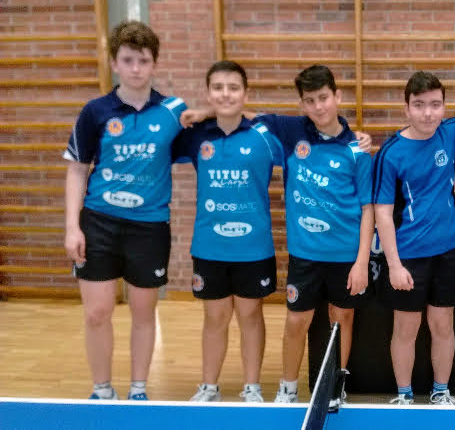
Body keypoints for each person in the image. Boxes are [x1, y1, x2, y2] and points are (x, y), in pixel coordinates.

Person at [181, 65, 373, 404]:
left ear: (338, 96)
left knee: (342, 318)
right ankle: (287, 387)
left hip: (345, 254)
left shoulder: (357, 149)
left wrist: (361, 261)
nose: (318, 106)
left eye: (324, 98)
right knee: (295, 322)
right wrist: (204, 113)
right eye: (310, 100)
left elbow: (368, 208)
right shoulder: (291, 131)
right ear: (301, 104)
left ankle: (335, 387)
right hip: (304, 254)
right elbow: (241, 113)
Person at [63, 20, 187, 401]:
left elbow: (214, 128)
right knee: (97, 312)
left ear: (154, 64)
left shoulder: (173, 111)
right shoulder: (95, 111)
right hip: (98, 222)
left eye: (144, 61)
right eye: (128, 60)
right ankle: (102, 390)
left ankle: (138, 390)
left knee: (143, 313)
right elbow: (77, 169)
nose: (136, 68)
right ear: (114, 63)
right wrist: (72, 227)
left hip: (149, 227)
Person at [172, 61, 282, 403]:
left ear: (245, 93)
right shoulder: (195, 136)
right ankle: (209, 386)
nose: (226, 94)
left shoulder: (266, 135)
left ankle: (252, 387)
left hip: (254, 247)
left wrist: (356, 138)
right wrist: (204, 114)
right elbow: (158, 142)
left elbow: (311, 136)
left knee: (250, 316)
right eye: (218, 87)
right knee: (215, 317)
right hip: (210, 246)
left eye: (233, 87)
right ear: (208, 93)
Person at [372, 71, 455, 406]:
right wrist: (394, 265)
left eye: (435, 104)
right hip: (409, 256)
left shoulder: (450, 131)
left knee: (443, 324)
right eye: (419, 105)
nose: (428, 113)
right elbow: (382, 213)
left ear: (444, 106)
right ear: (407, 108)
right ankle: (404, 395)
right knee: (406, 328)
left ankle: (441, 391)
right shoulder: (391, 153)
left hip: (448, 252)